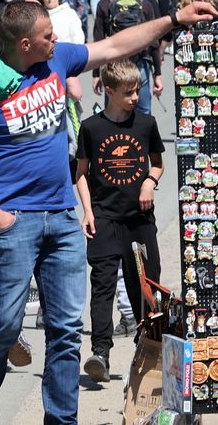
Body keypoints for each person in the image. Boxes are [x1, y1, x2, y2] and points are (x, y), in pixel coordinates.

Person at [0, 0, 217, 425]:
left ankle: (61, 418)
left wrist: (173, 19)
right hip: (12, 220)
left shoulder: (56, 62)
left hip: (62, 218)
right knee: (3, 323)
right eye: (48, 37)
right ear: (24, 43)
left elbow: (115, 46)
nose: (56, 41)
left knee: (66, 331)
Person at [75, 60, 164, 383]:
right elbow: (81, 175)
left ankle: (147, 346)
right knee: (102, 285)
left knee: (146, 283)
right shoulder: (91, 128)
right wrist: (87, 210)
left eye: (137, 90)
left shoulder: (146, 124)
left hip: (139, 220)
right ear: (109, 91)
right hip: (104, 217)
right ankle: (100, 351)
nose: (134, 97)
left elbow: (157, 164)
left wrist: (149, 183)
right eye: (128, 92)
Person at [93, 0, 161, 115]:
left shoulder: (105, 2)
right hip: (140, 62)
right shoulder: (145, 1)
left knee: (113, 111)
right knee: (142, 111)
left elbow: (99, 40)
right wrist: (158, 74)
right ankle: (142, 139)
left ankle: (114, 137)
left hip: (114, 65)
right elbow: (154, 42)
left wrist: (96, 74)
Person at [40, 0, 84, 102]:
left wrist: (73, 62)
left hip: (68, 65)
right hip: (47, 69)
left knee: (73, 100)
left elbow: (78, 40)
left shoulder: (69, 13)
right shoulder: (40, 17)